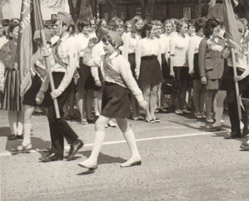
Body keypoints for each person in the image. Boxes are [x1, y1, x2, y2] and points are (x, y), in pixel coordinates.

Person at [79, 31, 148, 169]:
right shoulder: (104, 58)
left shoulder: (121, 61)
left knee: (99, 124)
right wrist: (89, 48)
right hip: (108, 92)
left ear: (115, 45)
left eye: (107, 43)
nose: (104, 46)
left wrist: (140, 98)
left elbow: (130, 81)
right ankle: (135, 155)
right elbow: (88, 61)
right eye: (104, 43)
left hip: (118, 94)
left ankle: (93, 159)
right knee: (123, 125)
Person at [35, 12, 84, 162]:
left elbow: (70, 70)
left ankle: (74, 140)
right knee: (52, 116)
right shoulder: (56, 42)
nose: (54, 27)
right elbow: (51, 67)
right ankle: (57, 151)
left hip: (64, 80)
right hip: (54, 78)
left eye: (57, 25)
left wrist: (60, 89)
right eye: (54, 25)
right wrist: (46, 55)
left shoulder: (72, 43)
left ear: (66, 26)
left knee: (53, 115)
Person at [220, 22, 249, 139]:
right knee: (230, 102)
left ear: (243, 32)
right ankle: (235, 130)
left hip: (241, 73)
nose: (238, 33)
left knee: (233, 99)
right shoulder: (230, 44)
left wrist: (242, 76)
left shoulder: (247, 45)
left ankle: (246, 120)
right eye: (236, 31)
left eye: (240, 31)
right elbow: (224, 56)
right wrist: (229, 47)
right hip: (231, 71)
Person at [135, 22, 163, 123]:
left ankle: (152, 113)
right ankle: (147, 114)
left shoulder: (157, 41)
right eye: (154, 30)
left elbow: (159, 56)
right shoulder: (141, 42)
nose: (156, 31)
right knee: (146, 91)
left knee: (154, 91)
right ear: (148, 31)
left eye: (156, 29)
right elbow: (137, 58)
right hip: (145, 65)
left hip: (155, 65)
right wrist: (137, 71)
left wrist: (160, 69)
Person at [198, 18, 225, 123]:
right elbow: (201, 59)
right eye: (216, 28)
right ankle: (208, 114)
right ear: (210, 28)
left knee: (217, 94)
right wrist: (202, 75)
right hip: (210, 70)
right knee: (209, 93)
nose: (218, 30)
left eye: (219, 28)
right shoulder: (204, 41)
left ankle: (217, 115)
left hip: (220, 70)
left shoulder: (221, 40)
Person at [0, 21, 23, 140]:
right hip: (12, 77)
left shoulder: (25, 46)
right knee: (12, 105)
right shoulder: (5, 47)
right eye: (16, 31)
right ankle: (13, 131)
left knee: (22, 104)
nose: (18, 33)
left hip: (23, 76)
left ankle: (21, 130)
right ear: (10, 33)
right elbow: (8, 63)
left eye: (20, 30)